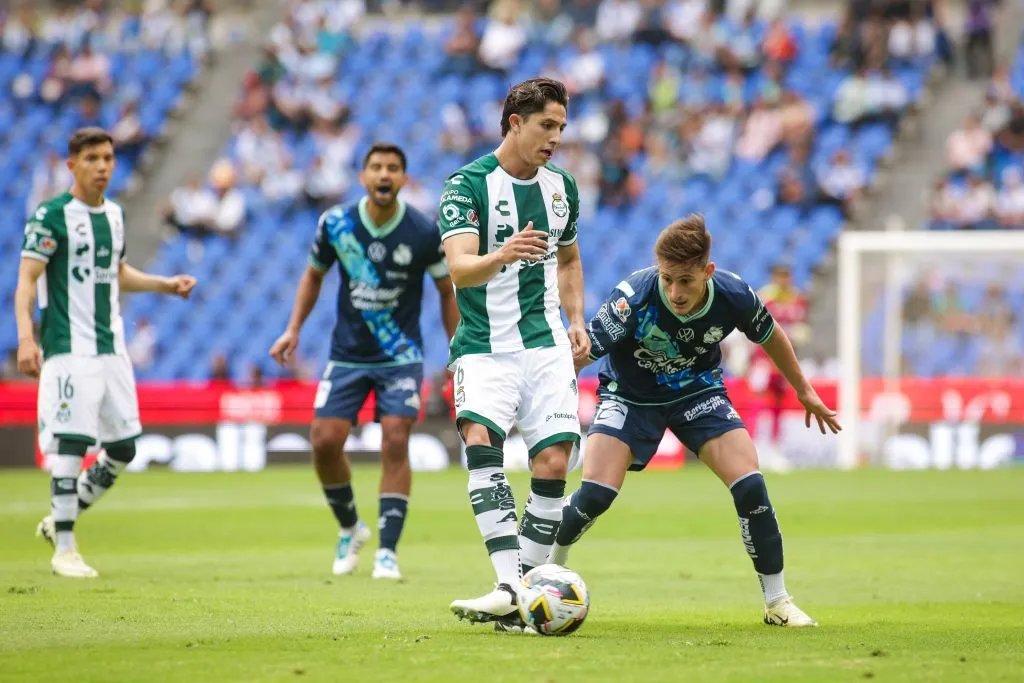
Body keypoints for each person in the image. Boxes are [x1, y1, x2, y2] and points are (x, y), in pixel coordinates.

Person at [551, 215, 840, 628]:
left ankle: (777, 601)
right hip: (630, 397)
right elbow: (581, 352)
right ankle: (548, 573)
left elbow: (771, 334)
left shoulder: (734, 294)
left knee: (751, 485)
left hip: (698, 393)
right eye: (667, 279)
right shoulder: (632, 296)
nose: (675, 292)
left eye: (685, 280)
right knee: (595, 495)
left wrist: (804, 389)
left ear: (708, 271)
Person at [438, 77, 589, 632]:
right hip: (484, 345)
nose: (555, 138)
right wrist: (502, 253)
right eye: (547, 126)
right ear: (515, 123)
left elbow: (569, 260)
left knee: (553, 461)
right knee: (482, 440)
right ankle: (509, 583)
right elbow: (458, 267)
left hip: (546, 343)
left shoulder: (562, 188)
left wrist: (576, 321)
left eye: (561, 128)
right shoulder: (466, 185)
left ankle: (520, 592)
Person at [270, 143, 459, 581]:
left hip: (401, 355)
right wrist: (293, 328)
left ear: (404, 179)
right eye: (376, 167)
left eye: (393, 168)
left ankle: (387, 553)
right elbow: (314, 275)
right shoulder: (336, 224)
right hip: (348, 354)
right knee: (324, 440)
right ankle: (351, 527)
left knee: (395, 438)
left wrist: (457, 348)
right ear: (362, 176)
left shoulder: (422, 231)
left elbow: (446, 291)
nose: (384, 175)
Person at [16, 127, 197, 578]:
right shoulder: (50, 216)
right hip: (68, 346)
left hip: (110, 345)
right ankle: (65, 548)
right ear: (71, 164)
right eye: (92, 158)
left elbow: (114, 272)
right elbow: (26, 280)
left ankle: (61, 515)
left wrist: (165, 284)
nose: (102, 167)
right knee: (72, 445)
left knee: (123, 448)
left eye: (109, 158)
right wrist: (25, 337)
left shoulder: (114, 215)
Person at [750, 263, 808, 465]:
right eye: (780, 276)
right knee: (758, 400)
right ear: (774, 277)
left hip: (783, 360)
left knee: (778, 403)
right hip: (763, 359)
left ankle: (775, 448)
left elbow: (799, 328)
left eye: (786, 276)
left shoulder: (798, 299)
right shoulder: (765, 298)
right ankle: (753, 445)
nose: (783, 280)